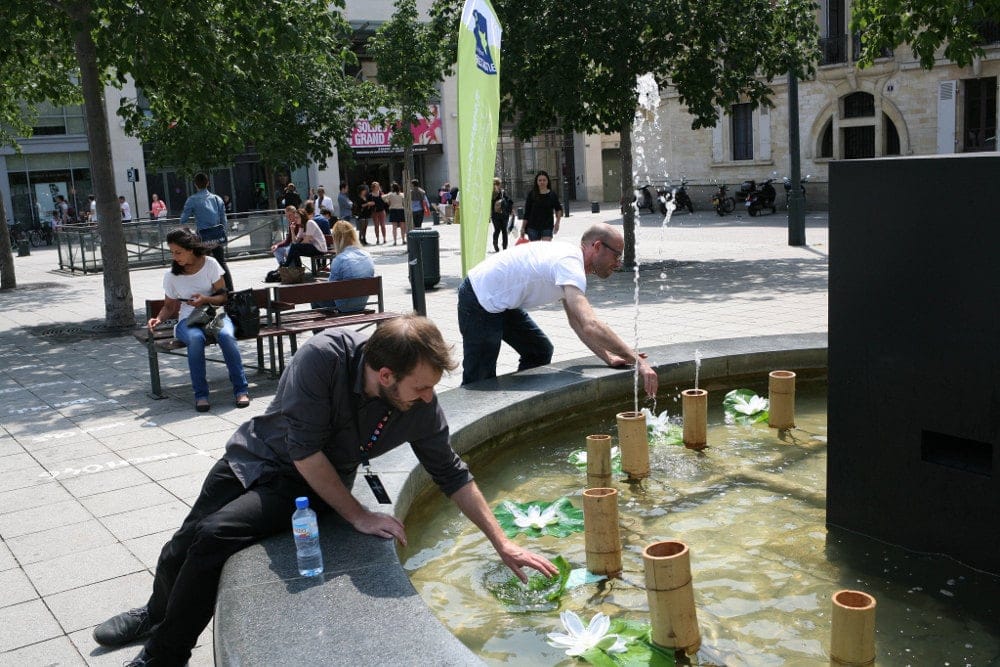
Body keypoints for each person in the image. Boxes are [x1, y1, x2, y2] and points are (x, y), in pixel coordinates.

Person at [92, 315, 557, 667]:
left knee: (213, 536)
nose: (430, 399)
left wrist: (503, 543)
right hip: (258, 454)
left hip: (309, 484)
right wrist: (359, 515)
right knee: (181, 544)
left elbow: (452, 473)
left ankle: (164, 655)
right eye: (422, 388)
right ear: (386, 375)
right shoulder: (325, 357)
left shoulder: (419, 403)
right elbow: (304, 449)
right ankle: (154, 613)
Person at [457, 222, 659, 396]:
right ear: (597, 246)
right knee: (479, 381)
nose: (618, 263)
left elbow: (577, 323)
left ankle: (517, 405)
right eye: (616, 255)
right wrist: (638, 362)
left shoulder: (570, 262)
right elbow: (590, 324)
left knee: (539, 350)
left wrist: (608, 356)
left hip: (499, 300)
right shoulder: (569, 263)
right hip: (479, 300)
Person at [145, 228, 249, 413]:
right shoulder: (171, 276)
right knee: (195, 339)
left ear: (191, 249)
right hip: (187, 320)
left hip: (214, 314)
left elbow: (223, 298)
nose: (174, 257)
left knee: (226, 335)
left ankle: (241, 390)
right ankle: (201, 395)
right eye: (172, 252)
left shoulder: (210, 264)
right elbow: (169, 306)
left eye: (178, 252)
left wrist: (206, 299)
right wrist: (158, 319)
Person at [180, 172, 233, 292]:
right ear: (208, 183)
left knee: (203, 265)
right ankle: (230, 291)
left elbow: (183, 220)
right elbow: (223, 219)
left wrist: (191, 233)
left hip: (202, 238)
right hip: (217, 235)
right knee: (221, 263)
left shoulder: (192, 200)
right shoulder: (217, 198)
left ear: (195, 185)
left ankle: (208, 292)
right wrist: (223, 233)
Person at [315, 220, 375, 313]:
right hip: (361, 303)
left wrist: (320, 286)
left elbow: (330, 288)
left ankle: (323, 326)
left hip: (344, 306)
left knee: (315, 295)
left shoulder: (340, 259)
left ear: (336, 238)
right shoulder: (367, 255)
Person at [521, 170, 562, 241]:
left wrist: (557, 223)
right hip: (533, 227)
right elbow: (527, 212)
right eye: (540, 180)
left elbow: (558, 209)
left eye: (544, 180)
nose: (542, 182)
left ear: (547, 181)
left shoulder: (552, 195)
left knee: (545, 249)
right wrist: (523, 227)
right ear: (536, 182)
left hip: (547, 226)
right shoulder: (532, 194)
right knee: (536, 250)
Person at [490, 178, 513, 252]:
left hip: (495, 215)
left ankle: (495, 243)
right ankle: (505, 247)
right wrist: (510, 210)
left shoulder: (490, 193)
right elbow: (508, 201)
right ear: (499, 184)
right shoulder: (502, 192)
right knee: (504, 231)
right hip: (503, 214)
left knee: (496, 230)